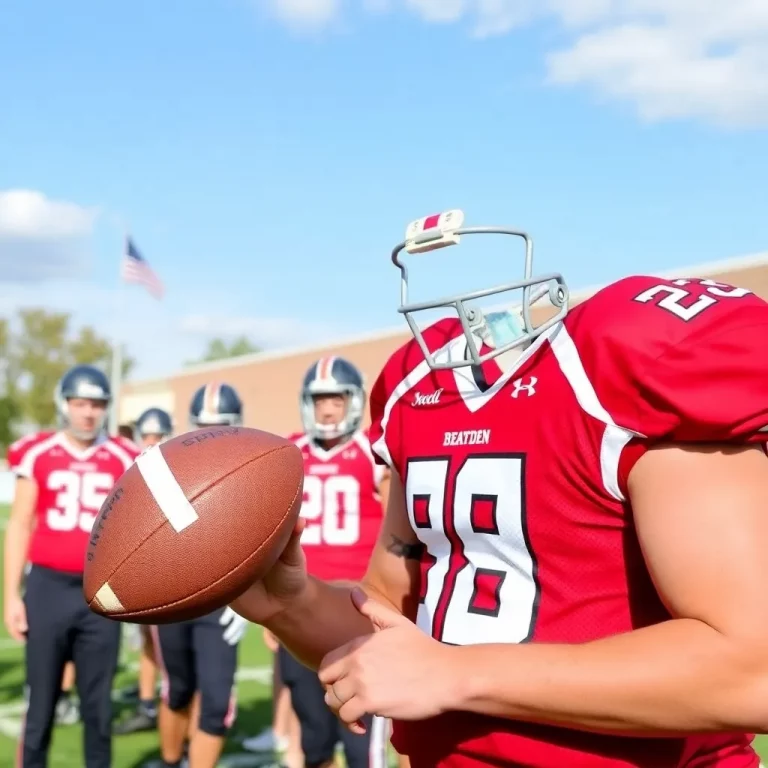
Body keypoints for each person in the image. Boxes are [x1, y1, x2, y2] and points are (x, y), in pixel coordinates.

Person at [232, 212, 768, 768]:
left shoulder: (626, 365)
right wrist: (291, 604)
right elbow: (390, 621)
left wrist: (456, 673)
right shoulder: (418, 389)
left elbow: (754, 670)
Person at [246, 357, 391, 768]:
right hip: (299, 602)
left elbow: (398, 531)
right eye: (319, 400)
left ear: (354, 402)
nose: (327, 409)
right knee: (314, 736)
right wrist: (273, 615)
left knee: (364, 740)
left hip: (358, 606)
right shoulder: (288, 452)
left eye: (336, 399)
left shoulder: (372, 451)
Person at [3, 364, 139, 768]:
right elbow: (21, 522)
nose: (88, 413)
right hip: (47, 588)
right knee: (40, 705)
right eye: (80, 403)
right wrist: (11, 595)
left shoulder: (122, 455)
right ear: (65, 405)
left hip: (101, 593)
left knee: (97, 710)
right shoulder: (37, 451)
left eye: (96, 404)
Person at [152, 383, 248, 768]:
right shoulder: (163, 469)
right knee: (176, 691)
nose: (211, 436)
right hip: (172, 596)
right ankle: (170, 761)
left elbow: (265, 543)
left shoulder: (251, 472)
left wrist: (246, 598)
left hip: (223, 603)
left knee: (216, 703)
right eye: (204, 426)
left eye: (220, 426)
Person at [113, 407, 174, 736]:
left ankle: (157, 702)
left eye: (157, 435)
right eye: (146, 435)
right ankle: (148, 699)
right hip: (132, 570)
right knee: (145, 643)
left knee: (160, 643)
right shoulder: (124, 465)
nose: (151, 442)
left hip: (159, 572)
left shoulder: (171, 470)